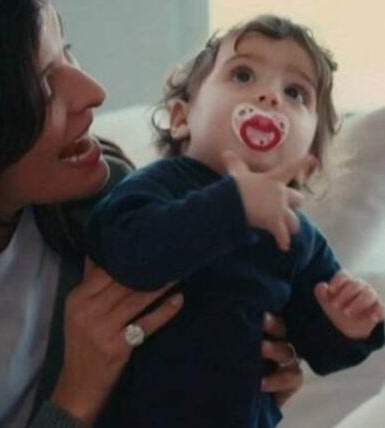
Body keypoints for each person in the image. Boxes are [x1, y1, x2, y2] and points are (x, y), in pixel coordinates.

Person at [0, 1, 304, 427]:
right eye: (43, 84)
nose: (93, 92)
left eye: (66, 51)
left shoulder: (115, 210)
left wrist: (250, 390)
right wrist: (76, 397)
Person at [87, 15, 385, 428]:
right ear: (182, 118)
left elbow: (316, 347)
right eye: (243, 75)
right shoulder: (163, 186)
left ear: (312, 155)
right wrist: (231, 207)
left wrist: (347, 326)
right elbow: (125, 249)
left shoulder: (298, 236)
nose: (270, 97)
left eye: (295, 92)